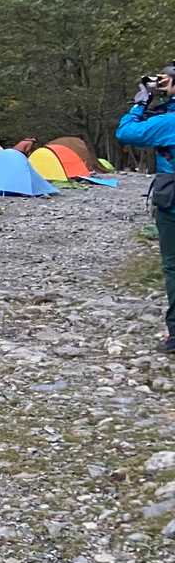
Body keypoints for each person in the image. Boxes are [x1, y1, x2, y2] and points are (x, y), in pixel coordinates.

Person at [115, 65, 175, 353]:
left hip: (172, 197)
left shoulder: (169, 122)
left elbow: (126, 132)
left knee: (173, 265)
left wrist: (141, 101)